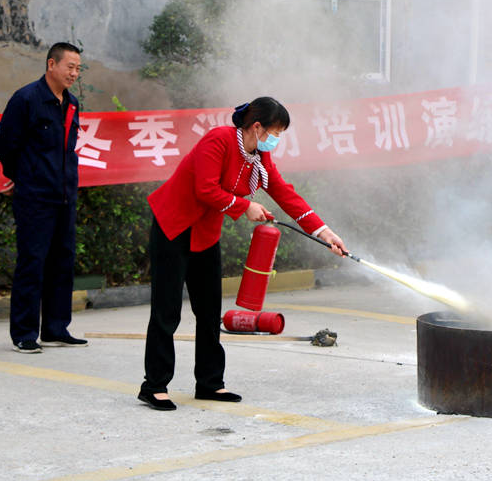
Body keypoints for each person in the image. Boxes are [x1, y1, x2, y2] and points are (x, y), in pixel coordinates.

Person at [138, 97, 347, 411]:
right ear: (257, 127)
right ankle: (154, 386)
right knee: (167, 310)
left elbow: (283, 192)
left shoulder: (259, 155)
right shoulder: (219, 140)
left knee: (208, 311)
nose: (275, 141)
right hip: (174, 226)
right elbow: (205, 189)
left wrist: (324, 231)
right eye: (275, 133)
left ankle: (209, 383)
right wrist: (244, 206)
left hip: (204, 234)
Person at [0, 42, 89, 353]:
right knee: (32, 261)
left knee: (62, 260)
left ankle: (56, 328)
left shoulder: (72, 102)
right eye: (69, 67)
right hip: (34, 195)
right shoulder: (26, 99)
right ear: (52, 64)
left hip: (64, 193)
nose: (74, 73)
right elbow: (6, 143)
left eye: (78, 68)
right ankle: (24, 332)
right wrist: (21, 177)